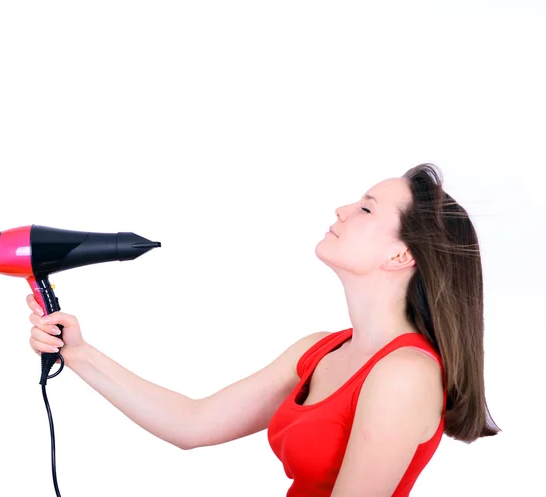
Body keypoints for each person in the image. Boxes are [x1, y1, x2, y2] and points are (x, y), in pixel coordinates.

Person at [26, 163, 500, 496]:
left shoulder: (404, 375)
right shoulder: (319, 351)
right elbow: (193, 424)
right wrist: (80, 353)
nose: (341, 209)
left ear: (402, 256)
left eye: (367, 209)